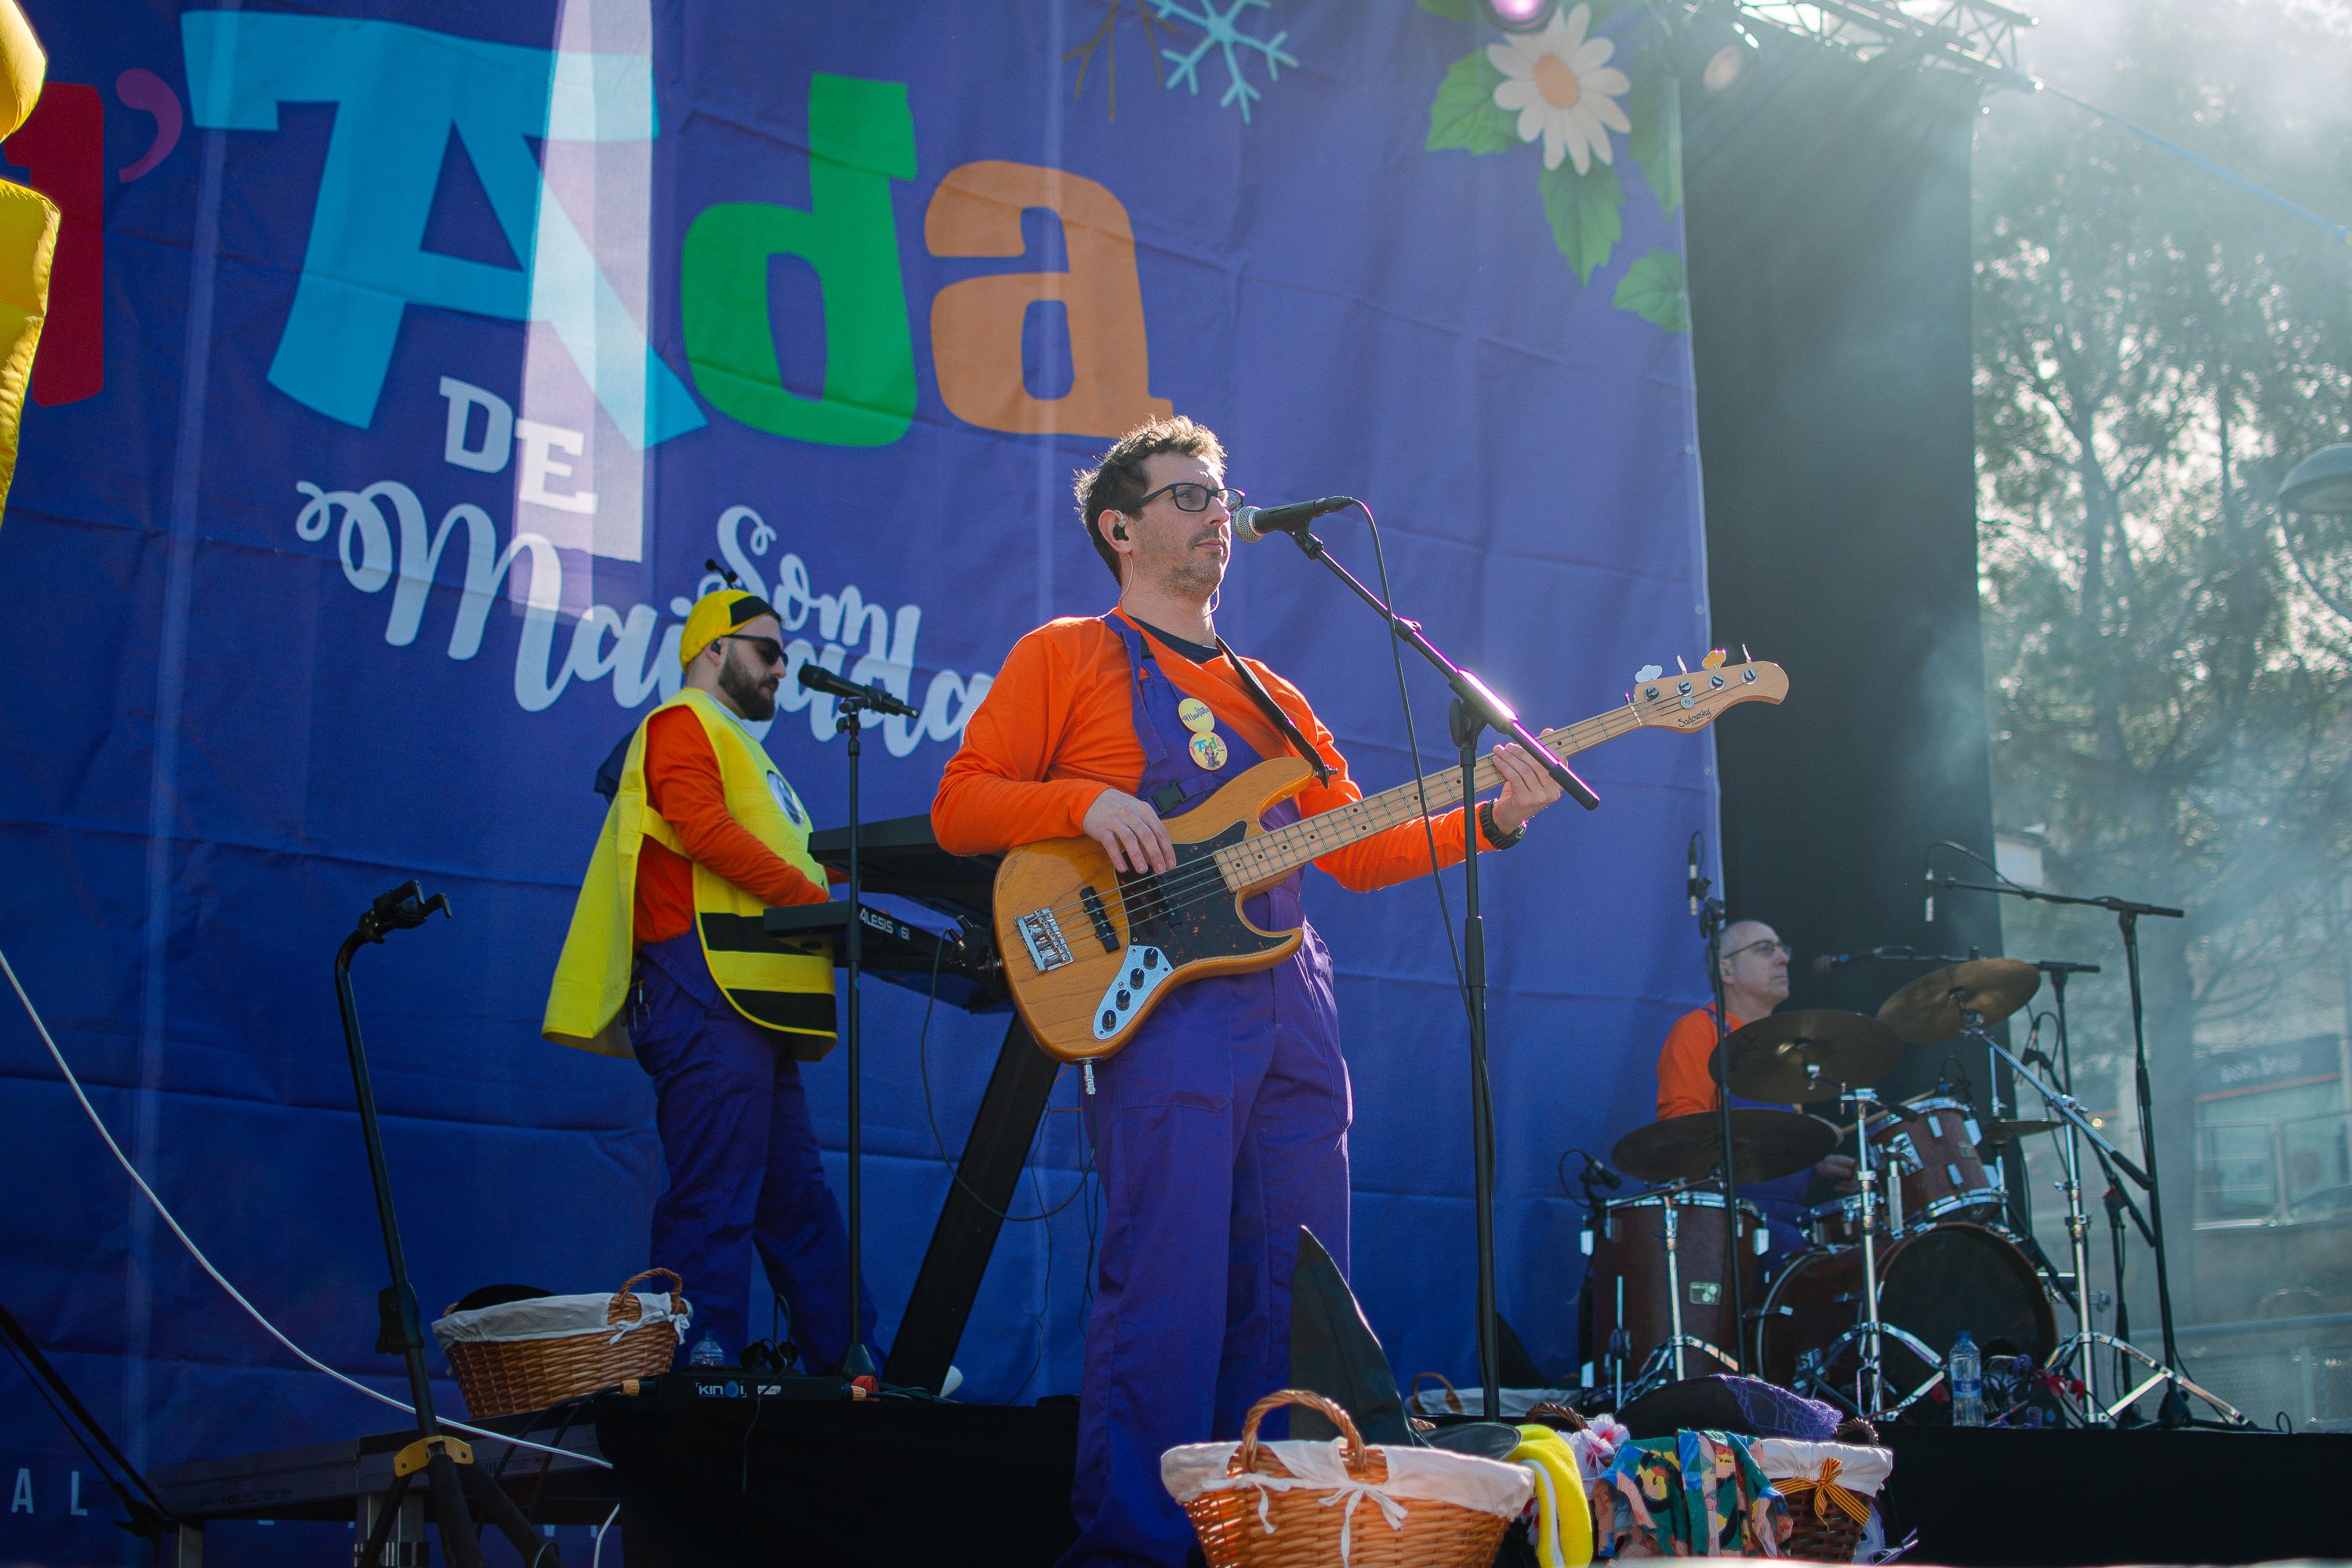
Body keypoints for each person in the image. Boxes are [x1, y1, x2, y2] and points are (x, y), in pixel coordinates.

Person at [931, 416, 1568, 1568]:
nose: (1214, 513)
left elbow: (1358, 848)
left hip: (1292, 997)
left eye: (1220, 496)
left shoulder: (1274, 693)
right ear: (1120, 529)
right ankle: (1134, 1547)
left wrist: (1495, 815)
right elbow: (960, 803)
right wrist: (1078, 806)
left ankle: (1268, 1536)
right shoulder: (1067, 652)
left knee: (1295, 1288)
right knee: (1167, 1282)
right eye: (1185, 497)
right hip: (1169, 1000)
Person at [543, 586, 875, 1371]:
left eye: (785, 658)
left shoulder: (746, 749)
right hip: (703, 992)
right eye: (766, 651)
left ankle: (856, 1362)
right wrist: (813, 897)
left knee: (796, 1195)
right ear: (712, 647)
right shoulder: (680, 722)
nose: (780, 670)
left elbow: (788, 855)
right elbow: (699, 825)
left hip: (755, 1003)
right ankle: (701, 1361)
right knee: (718, 1189)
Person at [1653, 919, 1856, 1261]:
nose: (1783, 959)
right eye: (1765, 950)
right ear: (1727, 970)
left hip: (1790, 1219)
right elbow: (1684, 1135)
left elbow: (1767, 1146)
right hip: (1726, 1224)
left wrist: (1813, 1160)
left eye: (1782, 949)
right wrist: (1798, 1135)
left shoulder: (1785, 1050)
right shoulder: (1698, 1031)